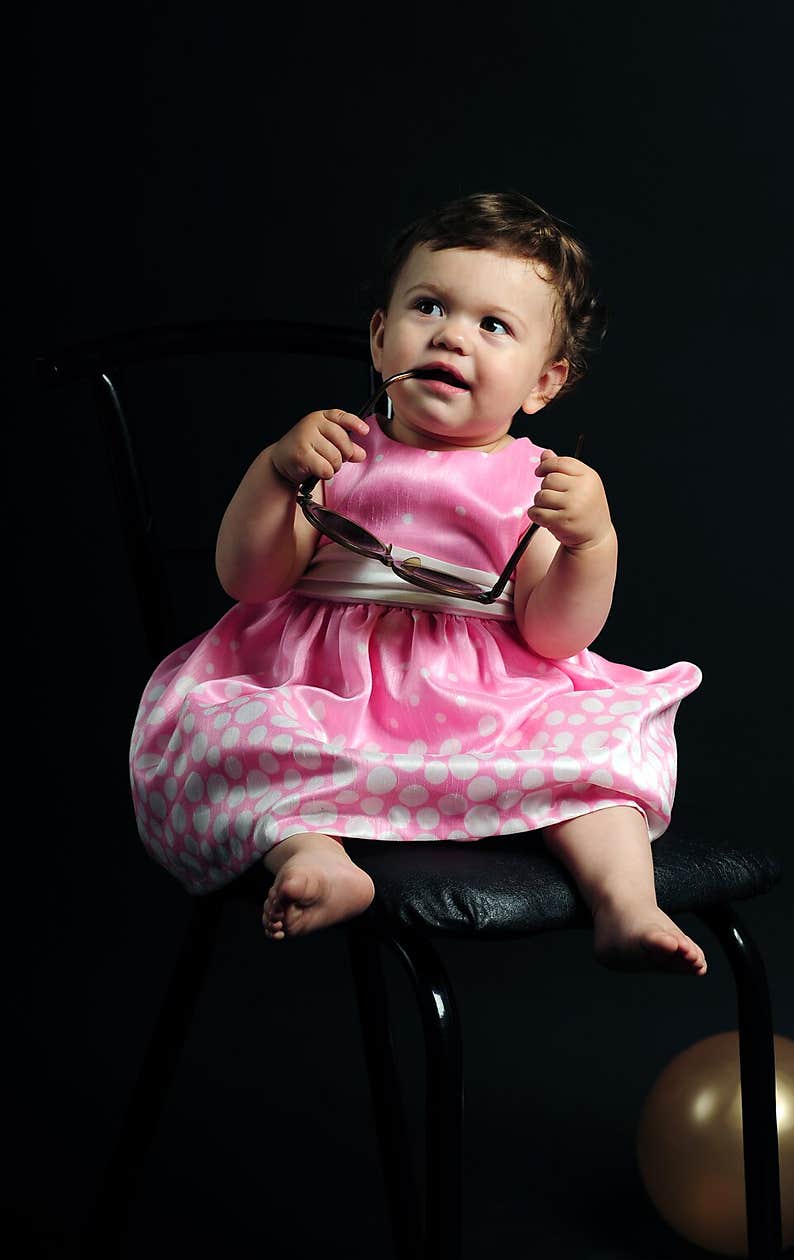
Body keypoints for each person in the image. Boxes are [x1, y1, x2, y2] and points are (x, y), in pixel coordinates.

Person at [130, 191, 706, 975]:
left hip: (483, 707)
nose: (451, 335)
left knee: (601, 765)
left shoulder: (533, 481)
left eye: (492, 325)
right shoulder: (336, 450)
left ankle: (625, 902)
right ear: (379, 336)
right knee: (231, 738)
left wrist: (590, 542)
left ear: (543, 382)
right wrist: (275, 472)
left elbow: (554, 634)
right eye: (429, 305)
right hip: (324, 691)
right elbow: (250, 579)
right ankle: (318, 857)